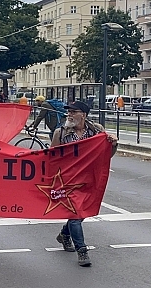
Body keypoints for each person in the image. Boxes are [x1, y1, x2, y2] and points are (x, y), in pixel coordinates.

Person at [49, 101, 118, 267]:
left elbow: (106, 155)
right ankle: (82, 250)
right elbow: (52, 156)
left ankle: (65, 235)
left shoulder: (97, 131)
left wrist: (113, 144)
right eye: (69, 112)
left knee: (81, 212)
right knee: (75, 214)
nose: (70, 115)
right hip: (69, 180)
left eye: (74, 112)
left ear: (84, 115)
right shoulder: (61, 132)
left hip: (88, 179)